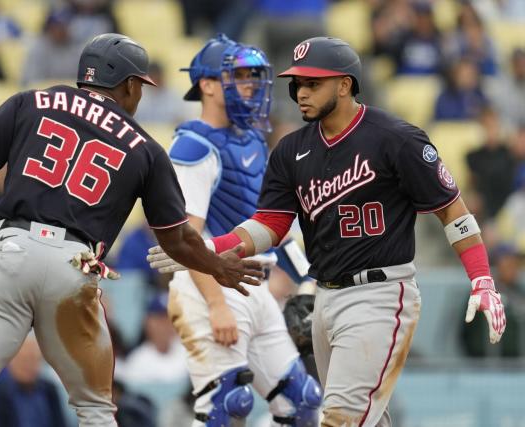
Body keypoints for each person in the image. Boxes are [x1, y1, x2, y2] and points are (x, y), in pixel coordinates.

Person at [149, 36, 507, 427]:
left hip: (381, 294)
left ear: (345, 84)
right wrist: (205, 250)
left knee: (339, 419)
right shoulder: (291, 150)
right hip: (326, 297)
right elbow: (269, 225)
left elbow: (452, 211)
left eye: (313, 83)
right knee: (365, 416)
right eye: (297, 84)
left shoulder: (396, 138)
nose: (301, 92)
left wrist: (482, 279)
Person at [0, 32, 264, 427]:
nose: (140, 95)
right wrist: (217, 265)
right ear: (128, 84)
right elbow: (177, 238)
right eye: (139, 86)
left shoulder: (32, 100)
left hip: (10, 252)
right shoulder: (145, 147)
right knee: (95, 411)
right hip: (73, 269)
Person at [165, 34, 321, 427]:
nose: (251, 84)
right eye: (239, 75)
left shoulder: (252, 138)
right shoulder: (193, 146)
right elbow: (186, 241)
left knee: (302, 402)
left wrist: (306, 278)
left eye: (254, 75)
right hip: (211, 285)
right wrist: (216, 303)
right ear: (207, 85)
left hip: (256, 285)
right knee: (225, 406)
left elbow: (271, 223)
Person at [0, 334, 67, 427]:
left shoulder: (49, 390)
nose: (29, 365)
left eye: (33, 359)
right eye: (24, 359)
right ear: (11, 362)